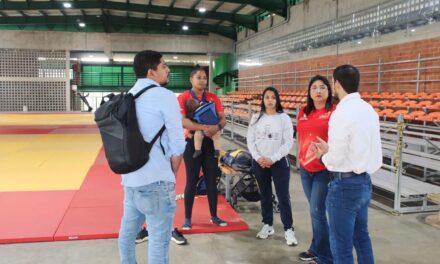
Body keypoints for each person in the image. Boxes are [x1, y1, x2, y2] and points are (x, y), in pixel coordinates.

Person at [118, 50, 185, 264]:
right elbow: (177, 140)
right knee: (159, 241)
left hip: (131, 179)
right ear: (151, 72)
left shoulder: (130, 95)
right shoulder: (164, 96)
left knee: (128, 235)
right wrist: (172, 172)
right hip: (156, 178)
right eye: (164, 65)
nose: (168, 69)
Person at [314, 65, 382, 264]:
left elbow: (335, 158)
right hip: (363, 181)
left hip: (344, 185)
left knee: (341, 245)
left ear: (336, 84)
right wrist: (331, 151)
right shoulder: (368, 110)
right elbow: (369, 149)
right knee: (361, 238)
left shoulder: (341, 112)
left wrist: (323, 156)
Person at [177, 65, 228, 230]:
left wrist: (216, 128)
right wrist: (202, 128)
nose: (202, 80)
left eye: (205, 77)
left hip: (211, 142)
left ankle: (214, 216)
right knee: (191, 181)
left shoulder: (213, 97)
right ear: (191, 79)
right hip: (192, 143)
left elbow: (222, 119)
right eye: (198, 77)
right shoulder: (184, 97)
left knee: (211, 180)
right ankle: (187, 218)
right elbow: (182, 120)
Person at [246, 86, 298, 246]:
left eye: (273, 97)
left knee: (283, 197)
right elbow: (250, 140)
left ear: (277, 100)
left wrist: (273, 158)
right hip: (259, 162)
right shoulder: (256, 117)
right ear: (263, 99)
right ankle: (267, 224)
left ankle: (288, 229)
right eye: (267, 97)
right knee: (265, 195)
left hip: (278, 163)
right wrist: (258, 157)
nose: (270, 100)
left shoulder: (284, 118)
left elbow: (288, 141)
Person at [296, 75, 335, 263]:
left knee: (317, 211)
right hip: (305, 168)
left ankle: (325, 255)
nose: (318, 91)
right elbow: (301, 137)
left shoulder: (334, 112)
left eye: (322, 87)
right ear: (309, 92)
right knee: (314, 211)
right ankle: (316, 247)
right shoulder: (303, 111)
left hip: (323, 169)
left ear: (329, 91)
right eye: (314, 88)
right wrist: (299, 158)